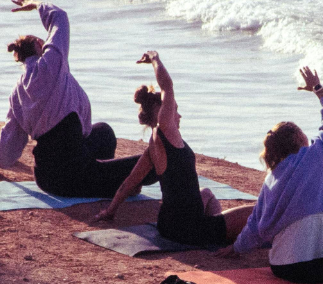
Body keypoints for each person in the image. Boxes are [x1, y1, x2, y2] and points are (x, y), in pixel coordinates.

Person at [0, 0, 141, 198]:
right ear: (40, 44)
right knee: (151, 161)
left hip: (47, 178)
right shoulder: (52, 63)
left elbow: (10, 136)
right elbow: (60, 18)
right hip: (70, 176)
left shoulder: (17, 92)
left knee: (103, 132)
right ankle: (112, 183)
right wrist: (37, 4)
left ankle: (108, 179)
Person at [216, 67, 323, 284]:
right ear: (299, 137)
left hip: (280, 267)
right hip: (314, 268)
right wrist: (318, 89)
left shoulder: (271, 179)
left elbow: (255, 224)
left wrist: (236, 248)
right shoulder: (316, 156)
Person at [94, 50, 254, 247]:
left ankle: (215, 230)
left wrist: (110, 212)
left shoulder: (152, 147)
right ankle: (215, 234)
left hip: (168, 225)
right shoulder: (166, 130)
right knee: (256, 211)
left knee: (207, 194)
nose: (179, 115)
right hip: (189, 228)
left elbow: (129, 183)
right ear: (163, 113)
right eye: (175, 110)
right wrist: (155, 60)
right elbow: (167, 86)